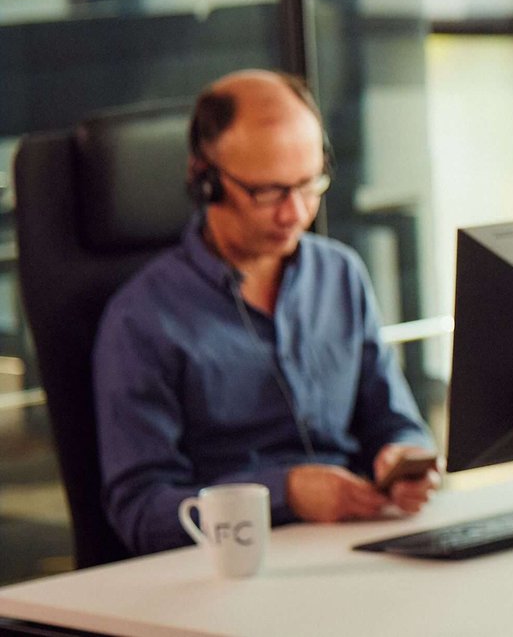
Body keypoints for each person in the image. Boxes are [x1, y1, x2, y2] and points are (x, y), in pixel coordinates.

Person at [94, 71, 439, 556]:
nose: (295, 213)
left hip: (360, 545)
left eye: (309, 184)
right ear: (206, 180)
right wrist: (287, 495)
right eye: (269, 192)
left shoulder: (339, 275)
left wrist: (403, 458)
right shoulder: (143, 320)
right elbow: (142, 514)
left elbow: (394, 422)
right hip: (233, 572)